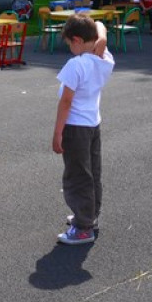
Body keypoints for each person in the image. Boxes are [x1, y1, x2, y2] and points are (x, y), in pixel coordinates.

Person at [52, 13, 113, 245]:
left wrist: (57, 133)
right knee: (92, 172)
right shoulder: (104, 57)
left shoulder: (75, 65)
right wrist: (103, 39)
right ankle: (89, 215)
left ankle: (83, 226)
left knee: (77, 176)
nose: (70, 49)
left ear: (77, 40)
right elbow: (100, 23)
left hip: (75, 127)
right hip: (92, 124)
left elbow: (65, 101)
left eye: (69, 44)